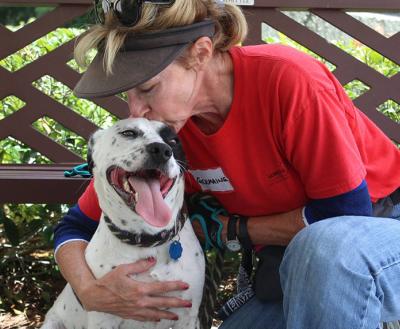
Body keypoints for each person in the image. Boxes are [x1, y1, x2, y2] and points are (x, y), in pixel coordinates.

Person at [53, 0, 400, 328]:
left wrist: (233, 229)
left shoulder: (288, 79)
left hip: (381, 231)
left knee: (328, 246)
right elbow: (74, 228)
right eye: (127, 94)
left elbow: (343, 215)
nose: (135, 111)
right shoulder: (169, 135)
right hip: (294, 264)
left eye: (148, 88)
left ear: (200, 53)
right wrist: (90, 291)